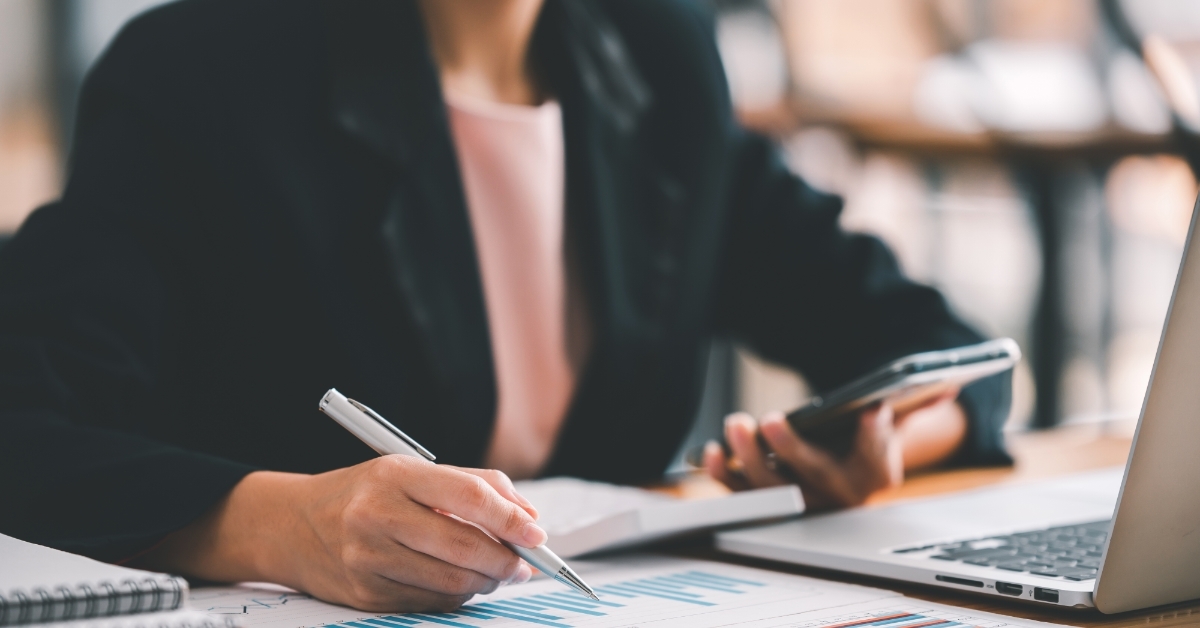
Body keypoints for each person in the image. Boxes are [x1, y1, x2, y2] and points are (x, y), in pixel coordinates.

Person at [0, 0, 1010, 615]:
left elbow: (944, 352)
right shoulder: (201, 73)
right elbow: (20, 425)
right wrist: (280, 524)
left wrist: (881, 445)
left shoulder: (657, 56)